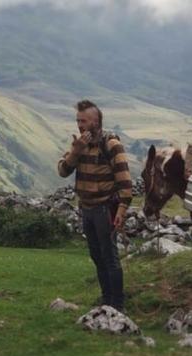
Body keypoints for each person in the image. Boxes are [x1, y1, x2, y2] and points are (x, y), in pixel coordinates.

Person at [57, 100, 133, 311]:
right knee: (96, 255)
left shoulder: (110, 144)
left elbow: (125, 180)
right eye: (78, 120)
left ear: (96, 121)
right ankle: (106, 299)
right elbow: (63, 171)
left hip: (104, 209)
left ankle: (117, 305)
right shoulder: (79, 144)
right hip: (87, 209)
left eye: (84, 121)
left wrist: (121, 209)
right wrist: (76, 151)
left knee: (109, 256)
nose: (80, 125)